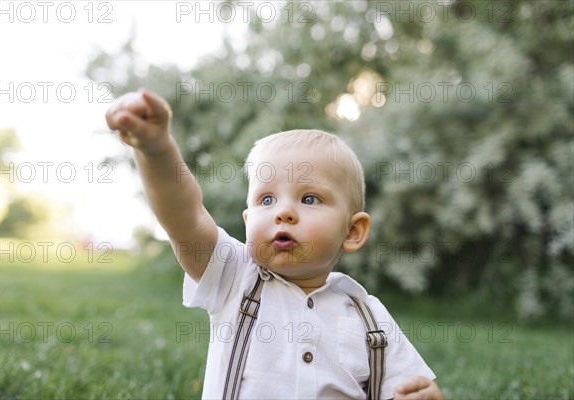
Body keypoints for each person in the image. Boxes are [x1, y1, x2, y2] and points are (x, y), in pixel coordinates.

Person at [105, 89, 443, 400]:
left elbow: (409, 386)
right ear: (249, 221)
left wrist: (424, 395)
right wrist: (156, 149)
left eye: (309, 198)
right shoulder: (235, 277)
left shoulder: (369, 317)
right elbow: (183, 215)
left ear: (353, 231)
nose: (283, 212)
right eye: (266, 199)